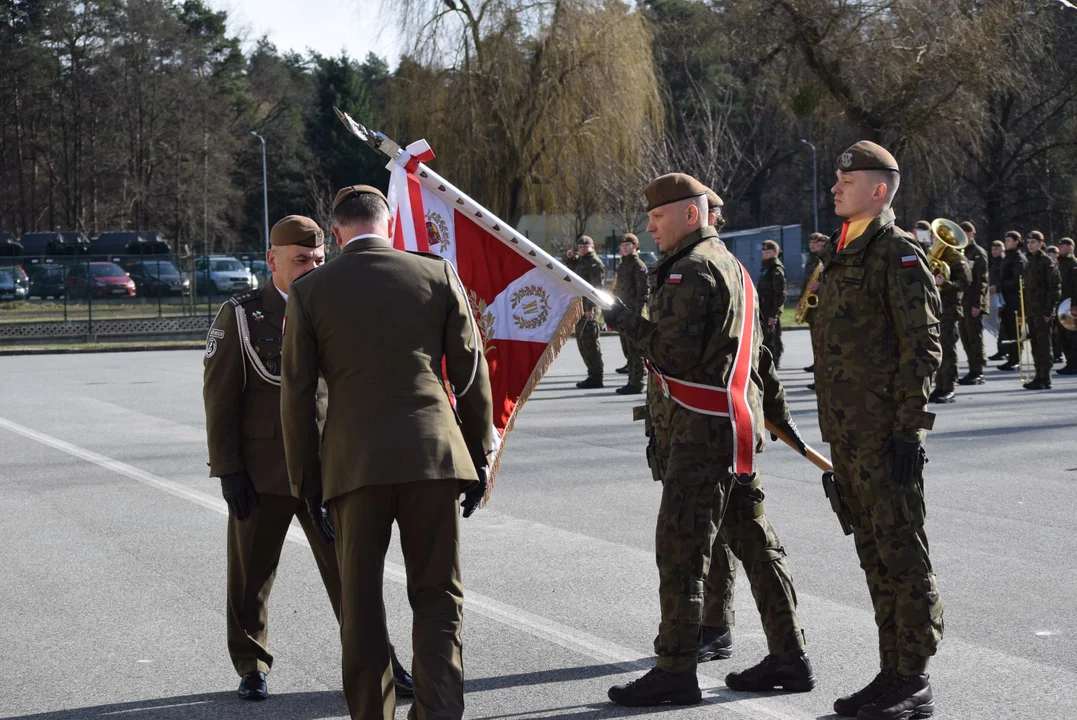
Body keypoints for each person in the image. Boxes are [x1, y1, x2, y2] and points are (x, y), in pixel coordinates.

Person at [280, 186, 494, 720]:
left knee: (361, 608)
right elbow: (469, 373)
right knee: (439, 599)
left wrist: (307, 483)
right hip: (434, 457)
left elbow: (298, 395)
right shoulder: (436, 274)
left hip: (355, 466)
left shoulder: (310, 291)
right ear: (391, 223)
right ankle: (438, 713)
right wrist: (479, 454)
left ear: (336, 232)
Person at [603, 173, 813, 707]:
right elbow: (759, 359)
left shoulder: (691, 272)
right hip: (734, 430)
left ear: (691, 215)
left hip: (701, 434)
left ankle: (675, 670)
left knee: (681, 547)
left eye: (658, 217)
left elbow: (673, 355)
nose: (649, 227)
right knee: (756, 546)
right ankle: (790, 656)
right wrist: (777, 418)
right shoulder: (732, 267)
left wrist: (624, 320)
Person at [204, 215, 412, 701]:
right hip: (263, 471)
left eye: (319, 259)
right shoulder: (242, 314)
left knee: (352, 575)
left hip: (327, 467)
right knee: (250, 574)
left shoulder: (337, 306)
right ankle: (251, 664)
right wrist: (229, 467)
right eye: (300, 260)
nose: (311, 267)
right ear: (272, 260)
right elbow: (220, 398)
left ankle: (380, 664)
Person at [811, 142, 942, 720]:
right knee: (874, 556)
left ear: (879, 190)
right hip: (848, 436)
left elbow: (924, 347)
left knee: (902, 555)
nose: (836, 187)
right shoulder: (842, 254)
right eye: (837, 179)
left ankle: (912, 678)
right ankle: (891, 671)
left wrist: (909, 432)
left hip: (885, 436)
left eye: (847, 179)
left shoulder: (897, 254)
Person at [929, 226, 971, 404]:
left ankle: (949, 387)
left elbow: (965, 282)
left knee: (948, 348)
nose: (935, 239)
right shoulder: (934, 255)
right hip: (935, 309)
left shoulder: (957, 258)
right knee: (937, 349)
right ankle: (939, 386)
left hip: (950, 308)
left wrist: (944, 283)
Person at [1021, 231, 1061, 390]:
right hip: (1032, 310)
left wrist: (1049, 310)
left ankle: (1046, 377)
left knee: (1044, 344)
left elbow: (1055, 287)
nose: (1031, 245)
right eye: (1029, 242)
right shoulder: (1028, 261)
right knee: (1036, 344)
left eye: (1034, 242)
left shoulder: (1046, 261)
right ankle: (1039, 375)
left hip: (1043, 310)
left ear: (1041, 244)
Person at [613, 233, 648, 394]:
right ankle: (632, 379)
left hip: (633, 312)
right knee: (628, 350)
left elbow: (643, 292)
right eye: (623, 245)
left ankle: (637, 382)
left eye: (629, 245)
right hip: (623, 311)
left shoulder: (637, 265)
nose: (625, 247)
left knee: (635, 350)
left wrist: (638, 313)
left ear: (636, 246)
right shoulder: (622, 265)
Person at [570, 235, 606, 389]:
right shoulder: (581, 261)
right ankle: (592, 374)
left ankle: (597, 377)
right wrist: (570, 259)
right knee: (583, 343)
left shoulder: (594, 264)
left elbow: (596, 289)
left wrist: (589, 308)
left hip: (589, 308)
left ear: (592, 247)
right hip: (580, 307)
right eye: (580, 247)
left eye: (586, 246)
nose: (583, 249)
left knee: (590, 343)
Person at [957, 221, 990, 386]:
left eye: (964, 233)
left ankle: (978, 371)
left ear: (971, 234)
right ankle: (972, 369)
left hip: (974, 302)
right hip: (963, 302)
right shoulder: (961, 252)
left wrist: (978, 304)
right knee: (965, 337)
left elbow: (982, 281)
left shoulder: (978, 253)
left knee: (974, 338)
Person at [997, 231, 1027, 372]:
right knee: (1008, 330)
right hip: (1006, 298)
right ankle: (1011, 358)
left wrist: (1001, 286)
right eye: (1006, 240)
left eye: (1009, 240)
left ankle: (1016, 359)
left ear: (1016, 241)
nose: (1006, 242)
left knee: (1015, 331)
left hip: (1015, 299)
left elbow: (1018, 281)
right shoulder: (1007, 257)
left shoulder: (1018, 258)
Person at [802, 233, 827, 386]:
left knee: (822, 346)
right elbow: (806, 282)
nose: (814, 246)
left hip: (823, 306)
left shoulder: (827, 259)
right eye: (812, 243)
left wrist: (820, 285)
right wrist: (802, 300)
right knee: (816, 344)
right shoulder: (812, 260)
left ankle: (821, 379)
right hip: (813, 305)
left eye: (817, 244)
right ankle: (818, 376)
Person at [758, 239, 787, 369]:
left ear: (776, 253)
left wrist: (774, 314)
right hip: (764, 308)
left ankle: (774, 362)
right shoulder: (766, 267)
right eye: (764, 252)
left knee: (772, 337)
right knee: (766, 337)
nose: (765, 254)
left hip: (771, 309)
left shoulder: (776, 269)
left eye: (768, 252)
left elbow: (780, 294)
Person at [1056, 238, 1077, 375]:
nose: (1060, 247)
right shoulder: (1058, 262)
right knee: (1062, 335)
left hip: (1070, 303)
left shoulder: (1073, 263)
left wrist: (1075, 305)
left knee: (1072, 336)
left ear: (1071, 247)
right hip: (1060, 303)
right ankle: (1069, 362)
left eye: (1063, 245)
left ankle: (1074, 363)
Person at [988, 240, 1007, 361]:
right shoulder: (993, 262)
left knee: (1004, 326)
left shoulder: (1004, 262)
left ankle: (1005, 351)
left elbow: (1005, 279)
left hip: (1003, 296)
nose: (994, 251)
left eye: (997, 249)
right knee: (1000, 325)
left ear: (1002, 250)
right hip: (994, 294)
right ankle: (1001, 350)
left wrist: (998, 288)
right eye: (993, 249)